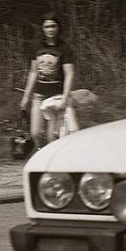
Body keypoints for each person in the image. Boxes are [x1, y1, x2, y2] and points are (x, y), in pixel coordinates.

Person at [19, 13, 76, 150]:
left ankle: (53, 163)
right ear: (42, 28)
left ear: (58, 27)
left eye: (53, 26)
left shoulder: (64, 48)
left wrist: (65, 97)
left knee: (53, 136)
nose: (50, 29)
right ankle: (42, 158)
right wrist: (26, 97)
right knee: (36, 133)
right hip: (39, 95)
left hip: (56, 96)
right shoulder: (37, 47)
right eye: (47, 26)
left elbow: (69, 73)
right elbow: (33, 72)